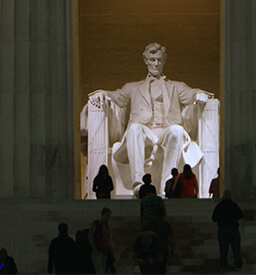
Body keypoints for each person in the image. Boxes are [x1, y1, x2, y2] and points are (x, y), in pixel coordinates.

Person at [89, 43, 213, 195]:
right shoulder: (132, 87)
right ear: (146, 60)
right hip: (144, 131)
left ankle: (167, 183)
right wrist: (102, 93)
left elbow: (190, 93)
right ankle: (138, 184)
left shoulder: (176, 86)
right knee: (134, 128)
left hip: (164, 130)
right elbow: (117, 96)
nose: (156, 64)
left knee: (177, 130)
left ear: (164, 62)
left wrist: (199, 94)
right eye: (152, 60)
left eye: (159, 60)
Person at [212, 190, 243, 271]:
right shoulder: (234, 205)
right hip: (233, 228)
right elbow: (240, 215)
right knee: (236, 248)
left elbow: (214, 218)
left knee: (223, 249)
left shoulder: (220, 206)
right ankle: (238, 265)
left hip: (222, 228)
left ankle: (223, 265)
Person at [89, 207, 113, 275]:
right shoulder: (96, 224)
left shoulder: (106, 225)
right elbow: (90, 236)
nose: (108, 218)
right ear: (103, 215)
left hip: (104, 250)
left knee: (103, 270)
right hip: (98, 250)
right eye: (107, 216)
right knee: (100, 271)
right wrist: (95, 249)